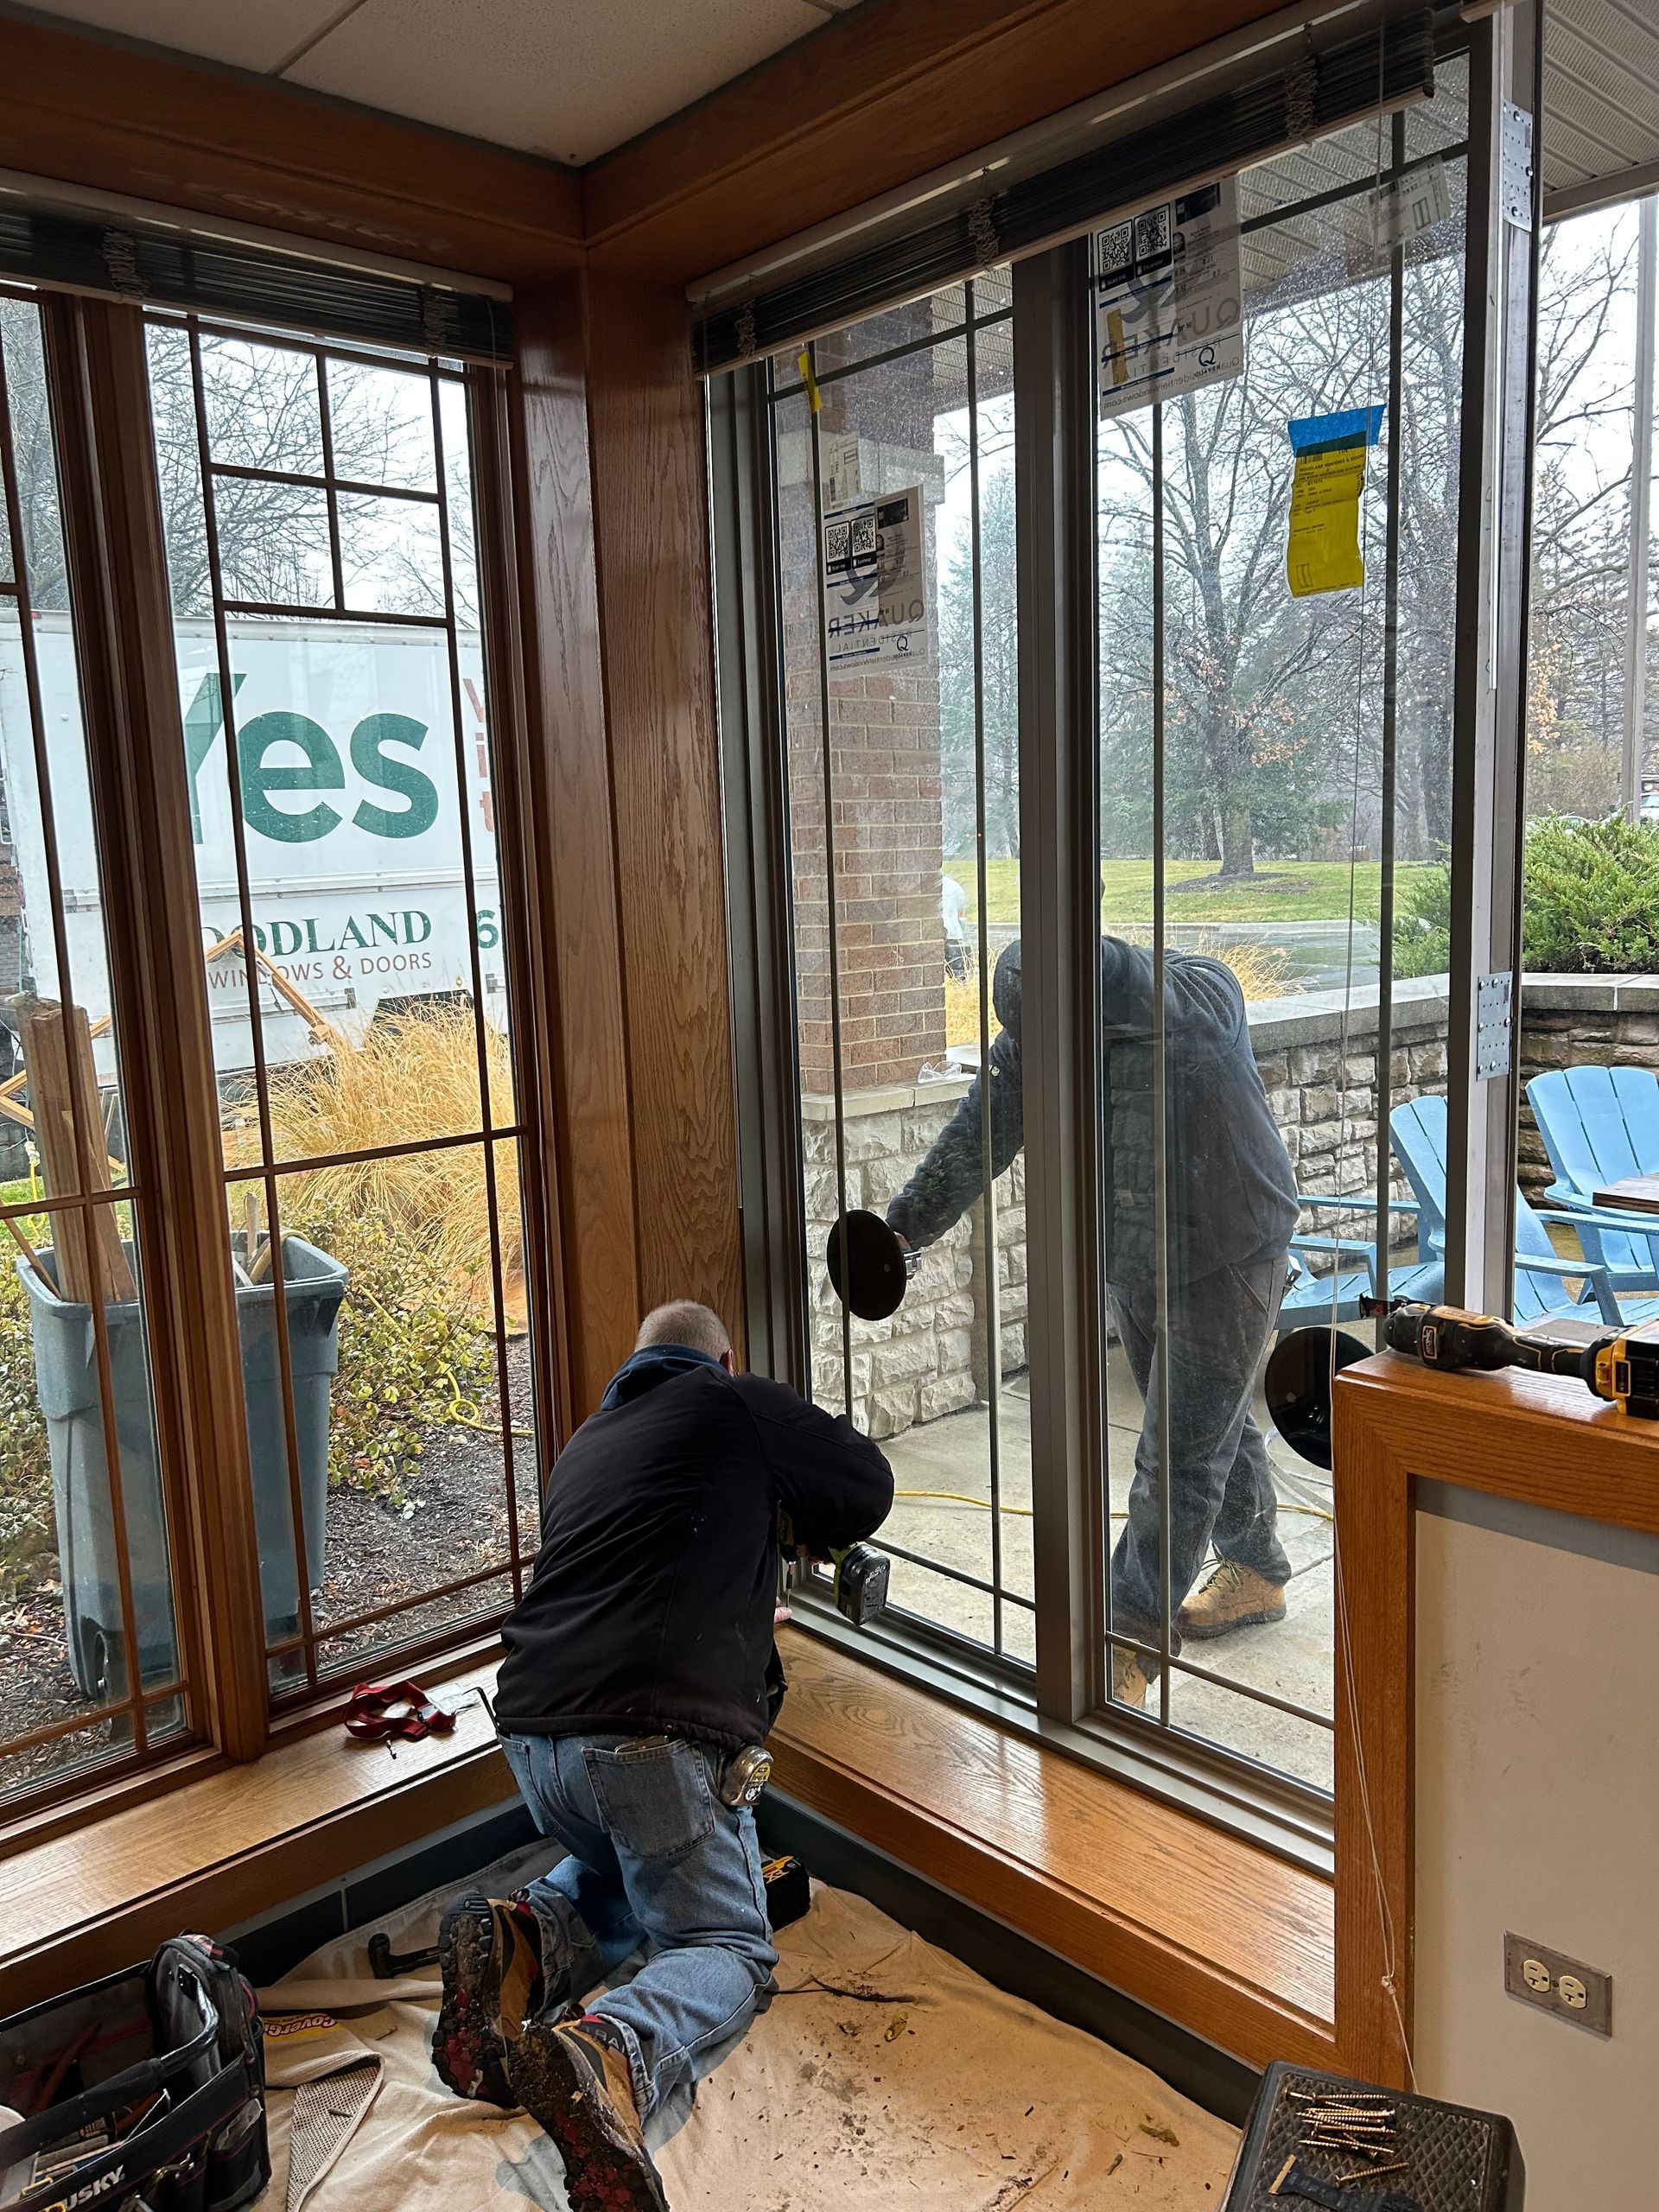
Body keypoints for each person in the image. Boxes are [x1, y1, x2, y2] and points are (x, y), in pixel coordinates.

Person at [435, 1299, 893, 2212]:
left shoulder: (587, 1443)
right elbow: (865, 1482)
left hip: (531, 1742)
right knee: (723, 1938)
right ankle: (610, 2051)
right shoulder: (733, 1404)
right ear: (724, 1360)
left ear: (634, 1362)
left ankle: (520, 1939)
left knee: (636, 1862)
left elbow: (632, 1574)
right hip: (646, 1735)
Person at [886, 937, 1297, 1707]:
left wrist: (1091, 969)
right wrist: (903, 1229)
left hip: (1230, 1251)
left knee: (1174, 1460)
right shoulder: (1039, 1043)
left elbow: (1166, 997)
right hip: (1136, 1259)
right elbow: (982, 1133)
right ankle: (1260, 1571)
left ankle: (1125, 1645)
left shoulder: (1198, 998)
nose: (1043, 1053)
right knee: (1212, 1426)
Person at [941, 868, 970, 981]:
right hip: (953, 933)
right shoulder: (954, 886)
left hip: (936, 933)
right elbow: (961, 913)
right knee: (955, 969)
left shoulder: (928, 886)